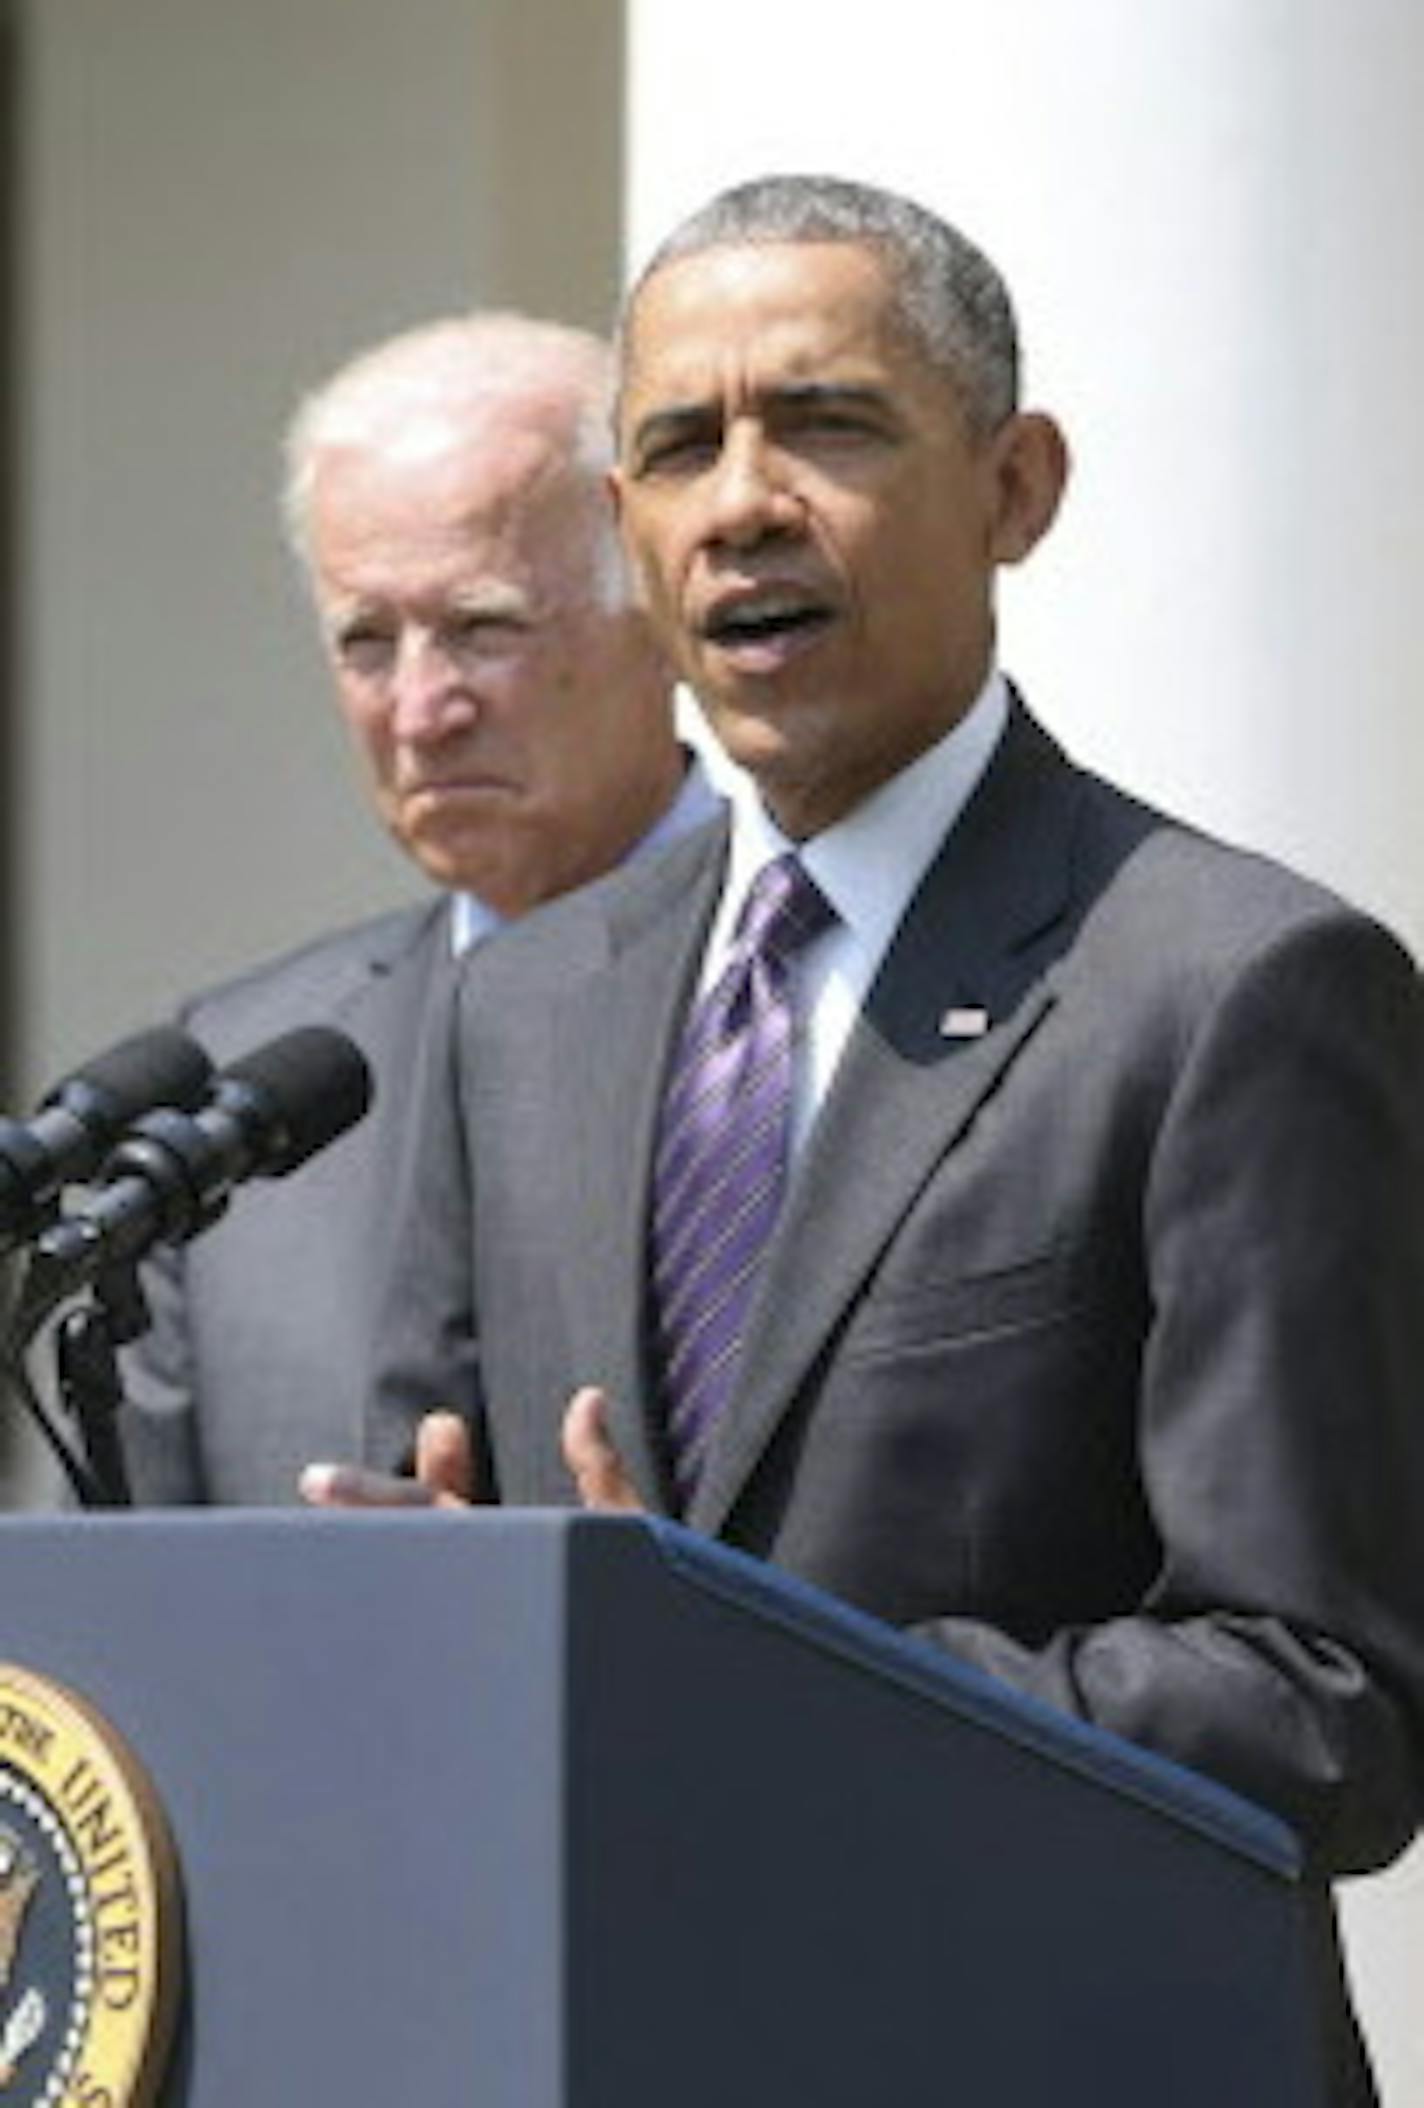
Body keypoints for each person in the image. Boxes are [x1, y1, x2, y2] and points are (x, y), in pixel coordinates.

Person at [313, 180, 1424, 2100]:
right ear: (628, 538)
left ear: (1013, 490)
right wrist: (443, 1611)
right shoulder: (519, 1009)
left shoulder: (1231, 981)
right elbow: (493, 1535)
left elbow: (1325, 1709)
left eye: (823, 422)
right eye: (675, 447)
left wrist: (736, 1663)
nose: (740, 499)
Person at [118, 312, 720, 1503]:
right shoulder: (235, 1083)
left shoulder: (813, 1003)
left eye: (481, 626)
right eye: (365, 641)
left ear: (656, 606)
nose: (419, 707)